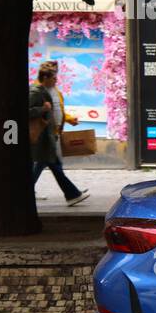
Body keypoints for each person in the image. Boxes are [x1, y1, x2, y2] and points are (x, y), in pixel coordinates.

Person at [28, 61, 89, 206]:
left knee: (50, 165)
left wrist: (66, 120)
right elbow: (28, 111)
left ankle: (72, 194)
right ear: (46, 78)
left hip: (49, 135)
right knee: (52, 165)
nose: (56, 80)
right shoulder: (35, 92)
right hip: (42, 137)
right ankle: (73, 194)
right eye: (54, 77)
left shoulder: (50, 91)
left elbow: (57, 111)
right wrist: (42, 109)